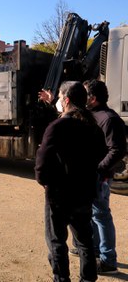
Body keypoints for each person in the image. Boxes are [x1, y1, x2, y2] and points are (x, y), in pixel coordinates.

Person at [35, 81, 107, 282]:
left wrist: (45, 182)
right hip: (84, 193)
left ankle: (62, 279)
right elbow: (101, 153)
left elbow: (41, 162)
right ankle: (87, 279)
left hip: (59, 195)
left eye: (58, 97)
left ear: (66, 100)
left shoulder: (57, 126)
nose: (57, 101)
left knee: (57, 241)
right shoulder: (93, 126)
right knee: (85, 240)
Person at [75, 79, 125, 274]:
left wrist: (99, 169)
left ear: (93, 98)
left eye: (84, 94)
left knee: (101, 215)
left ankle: (108, 260)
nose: (81, 97)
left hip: (100, 177)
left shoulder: (109, 119)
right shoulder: (91, 114)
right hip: (90, 175)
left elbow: (118, 150)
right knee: (92, 215)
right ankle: (94, 250)